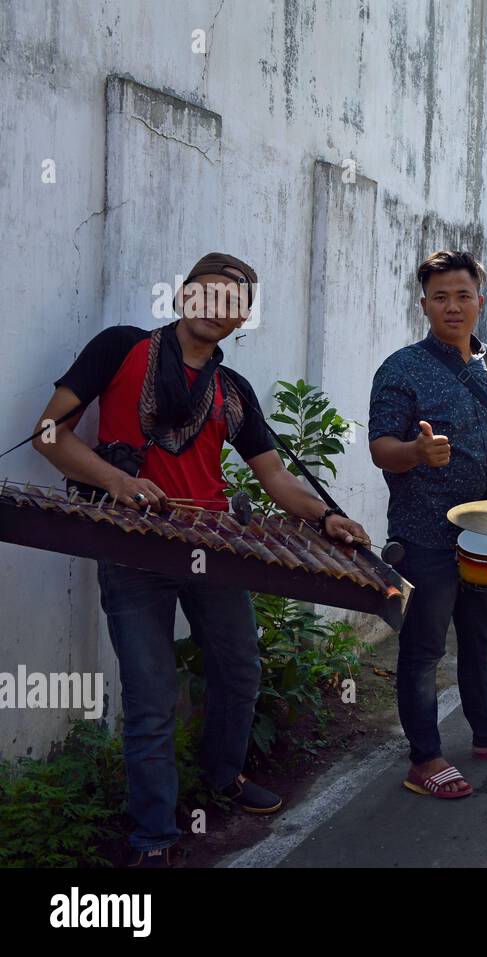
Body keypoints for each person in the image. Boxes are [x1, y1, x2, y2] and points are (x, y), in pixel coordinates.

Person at [31, 253, 369, 867]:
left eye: (231, 301)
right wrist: (114, 479)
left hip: (214, 550)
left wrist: (325, 517)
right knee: (151, 692)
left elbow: (275, 479)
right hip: (130, 547)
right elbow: (49, 434)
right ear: (183, 296)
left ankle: (223, 777)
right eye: (206, 293)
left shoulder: (233, 392)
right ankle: (154, 834)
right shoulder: (119, 348)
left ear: (241, 319)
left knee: (240, 670)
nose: (216, 308)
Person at [369, 250, 487, 800]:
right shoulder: (401, 368)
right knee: (423, 648)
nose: (452, 306)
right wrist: (418, 453)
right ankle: (424, 758)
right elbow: (380, 449)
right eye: (440, 297)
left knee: (480, 638)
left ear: (480, 300)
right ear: (424, 304)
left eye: (462, 295)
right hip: (426, 534)